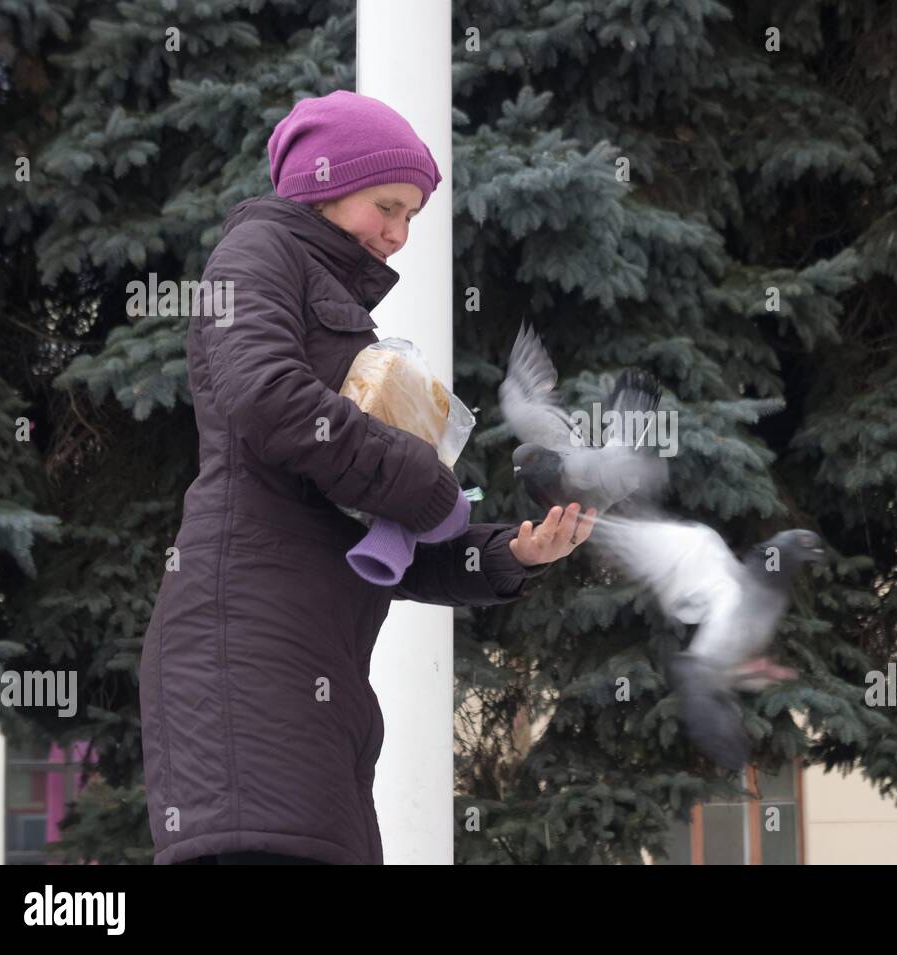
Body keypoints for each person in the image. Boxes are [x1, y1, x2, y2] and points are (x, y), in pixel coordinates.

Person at [139, 90, 595, 865]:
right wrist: (425, 483)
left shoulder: (337, 310)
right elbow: (265, 395)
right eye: (388, 205)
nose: (399, 233)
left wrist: (506, 554)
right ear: (323, 182)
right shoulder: (256, 255)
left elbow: (370, 535)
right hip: (245, 661)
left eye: (412, 215)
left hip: (316, 669)